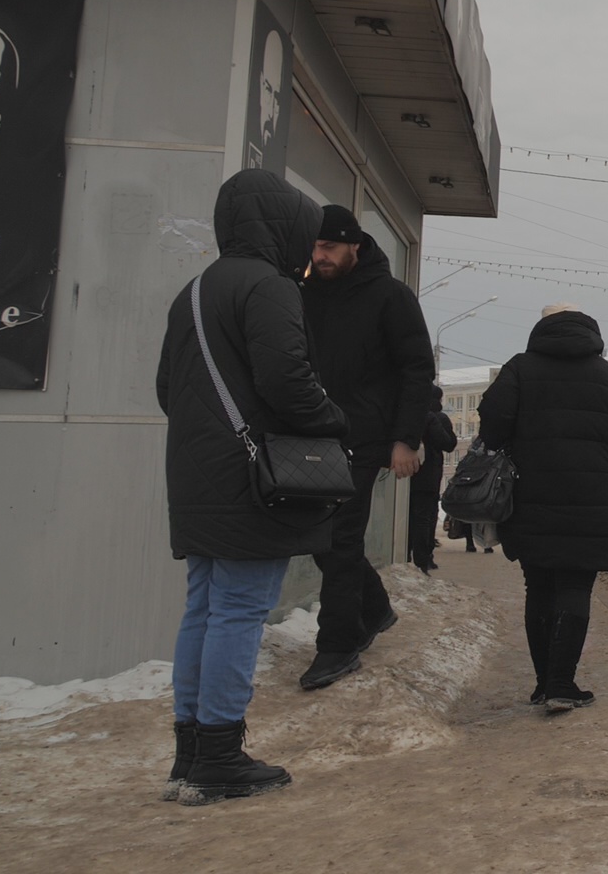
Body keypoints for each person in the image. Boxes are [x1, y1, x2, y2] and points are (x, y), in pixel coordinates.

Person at [155, 168, 348, 805]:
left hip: (195, 475)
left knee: (205, 608)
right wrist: (333, 420)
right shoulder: (268, 286)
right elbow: (288, 382)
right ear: (284, 225)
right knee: (239, 610)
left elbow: (168, 390)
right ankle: (221, 755)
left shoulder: (192, 289)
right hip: (250, 481)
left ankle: (190, 755)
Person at [476, 304, 608, 712]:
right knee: (575, 587)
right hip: (592, 501)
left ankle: (542, 684)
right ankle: (561, 683)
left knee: (538, 586)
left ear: (542, 328)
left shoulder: (519, 368)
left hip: (530, 499)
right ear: (590, 331)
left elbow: (492, 428)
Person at [296, 204, 435, 689]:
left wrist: (406, 438)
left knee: (340, 537)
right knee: (318, 537)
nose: (321, 256)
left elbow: (417, 369)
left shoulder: (389, 296)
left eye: (330, 247)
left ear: (354, 245)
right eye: (315, 247)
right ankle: (373, 608)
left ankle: (336, 645)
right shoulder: (304, 292)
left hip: (365, 437)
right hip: (311, 434)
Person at [408, 383, 456, 573]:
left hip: (405, 474)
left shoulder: (411, 414)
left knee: (410, 516)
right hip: (429, 477)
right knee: (426, 517)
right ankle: (424, 558)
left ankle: (408, 555)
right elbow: (449, 443)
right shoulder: (437, 418)